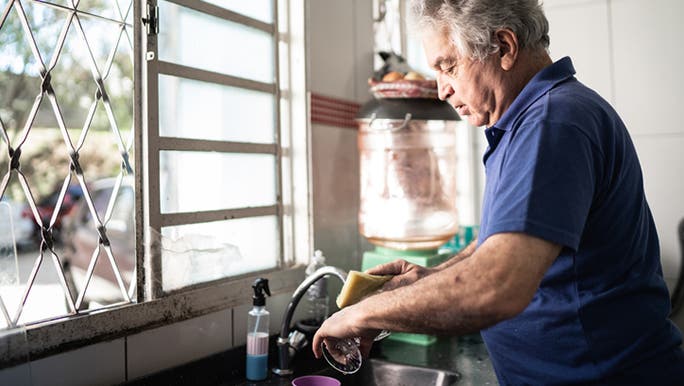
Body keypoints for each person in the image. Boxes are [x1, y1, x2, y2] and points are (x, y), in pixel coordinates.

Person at [312, 0, 684, 384]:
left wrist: (364, 314)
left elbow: (497, 286)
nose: (442, 90)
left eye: (447, 66)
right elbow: (500, 245)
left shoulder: (552, 122)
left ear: (504, 48)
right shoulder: (532, 121)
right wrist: (428, 278)